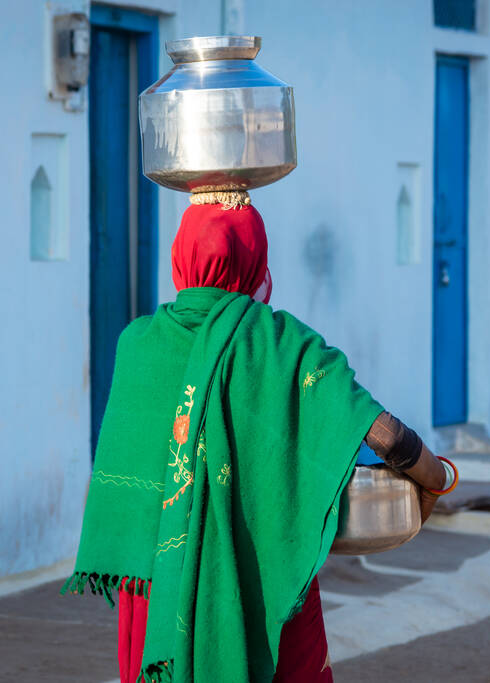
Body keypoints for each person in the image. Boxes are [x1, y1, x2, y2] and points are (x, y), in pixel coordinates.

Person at [64, 197, 455, 683]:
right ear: (255, 262)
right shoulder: (286, 347)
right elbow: (385, 434)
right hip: (264, 578)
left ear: (180, 257)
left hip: (156, 593)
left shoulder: (137, 344)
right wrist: (437, 479)